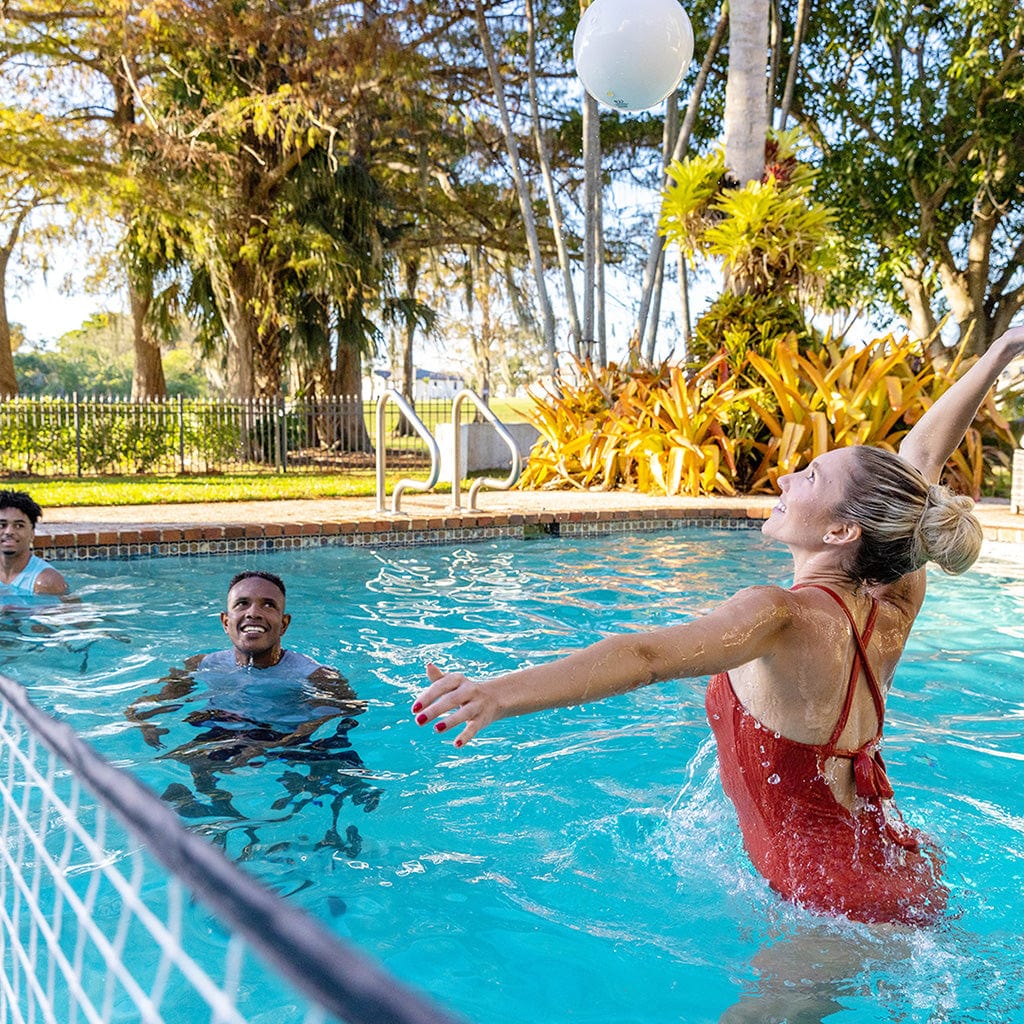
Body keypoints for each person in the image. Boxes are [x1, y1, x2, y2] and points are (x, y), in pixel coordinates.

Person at [412, 324, 1024, 927]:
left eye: (809, 477)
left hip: (830, 901)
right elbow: (918, 465)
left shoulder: (775, 615)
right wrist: (1002, 350)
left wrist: (496, 694)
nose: (785, 478)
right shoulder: (893, 603)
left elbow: (645, 657)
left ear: (841, 533)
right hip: (894, 863)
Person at [127, 570, 379, 861]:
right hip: (229, 732)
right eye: (242, 604)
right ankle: (217, 828)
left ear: (284, 624)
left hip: (295, 743)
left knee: (337, 780)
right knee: (182, 766)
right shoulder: (202, 665)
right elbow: (145, 704)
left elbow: (350, 709)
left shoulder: (316, 675)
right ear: (225, 621)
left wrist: (274, 745)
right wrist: (148, 721)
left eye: (268, 605)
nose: (254, 613)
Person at [0, 490, 68, 597]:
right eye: (2, 525)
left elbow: (73, 612)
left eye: (19, 526)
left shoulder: (47, 582)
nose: (9, 532)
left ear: (32, 534)